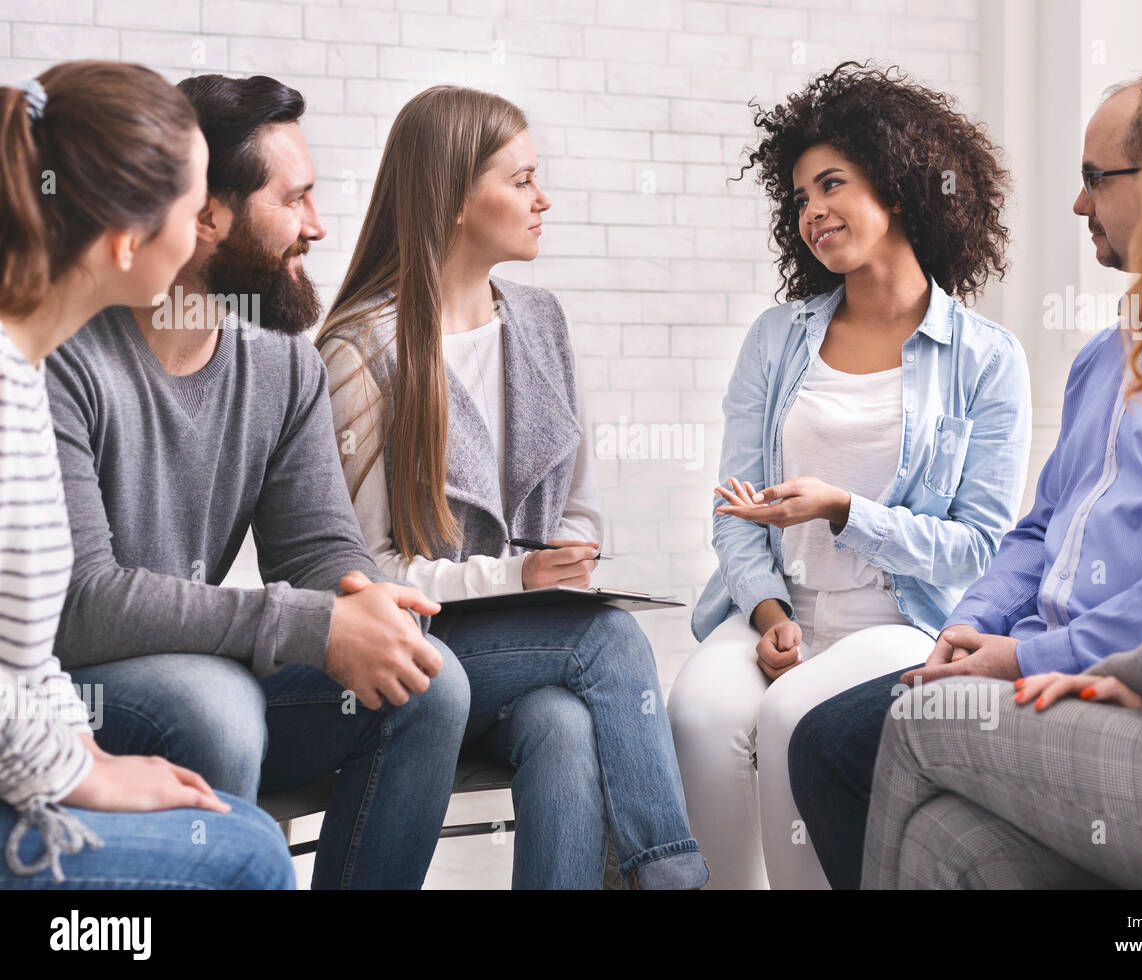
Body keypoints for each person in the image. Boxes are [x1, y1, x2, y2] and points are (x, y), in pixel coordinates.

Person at [864, 37, 1142, 888]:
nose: (1078, 202)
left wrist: (1100, 673)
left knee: (917, 720)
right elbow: (1046, 531)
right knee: (952, 843)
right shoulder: (1130, 351)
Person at [45, 73, 471, 890]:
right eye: (296, 199)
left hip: (210, 657)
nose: (316, 227)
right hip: (78, 685)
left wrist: (364, 606)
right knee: (213, 705)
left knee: (427, 681)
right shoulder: (63, 355)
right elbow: (79, 603)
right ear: (207, 214)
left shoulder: (282, 366)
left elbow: (319, 555)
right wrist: (306, 626)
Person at [787, 70, 1142, 889]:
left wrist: (1023, 655)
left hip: (1107, 678)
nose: (1078, 205)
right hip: (1021, 652)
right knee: (929, 821)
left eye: (1094, 179)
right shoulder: (1102, 358)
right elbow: (1038, 529)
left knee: (836, 742)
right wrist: (969, 627)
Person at [316, 85, 707, 890]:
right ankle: (672, 876)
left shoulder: (540, 321)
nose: (544, 199)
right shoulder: (360, 352)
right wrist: (513, 578)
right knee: (608, 640)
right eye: (521, 180)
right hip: (417, 654)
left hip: (525, 652)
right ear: (455, 199)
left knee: (564, 727)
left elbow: (579, 500)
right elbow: (360, 573)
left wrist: (564, 555)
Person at [667, 62, 1032, 889]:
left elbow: (978, 548)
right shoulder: (777, 338)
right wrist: (766, 614)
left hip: (899, 622)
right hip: (780, 612)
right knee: (701, 710)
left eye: (831, 185)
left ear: (898, 187)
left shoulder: (985, 360)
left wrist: (843, 510)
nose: (812, 212)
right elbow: (736, 507)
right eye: (798, 198)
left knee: (799, 720)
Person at [0, 61, 292, 889]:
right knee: (246, 856)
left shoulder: (23, 370)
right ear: (129, 241)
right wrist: (77, 777)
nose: (210, 226)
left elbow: (21, 663)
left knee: (231, 828)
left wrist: (86, 753)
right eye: (197, 205)